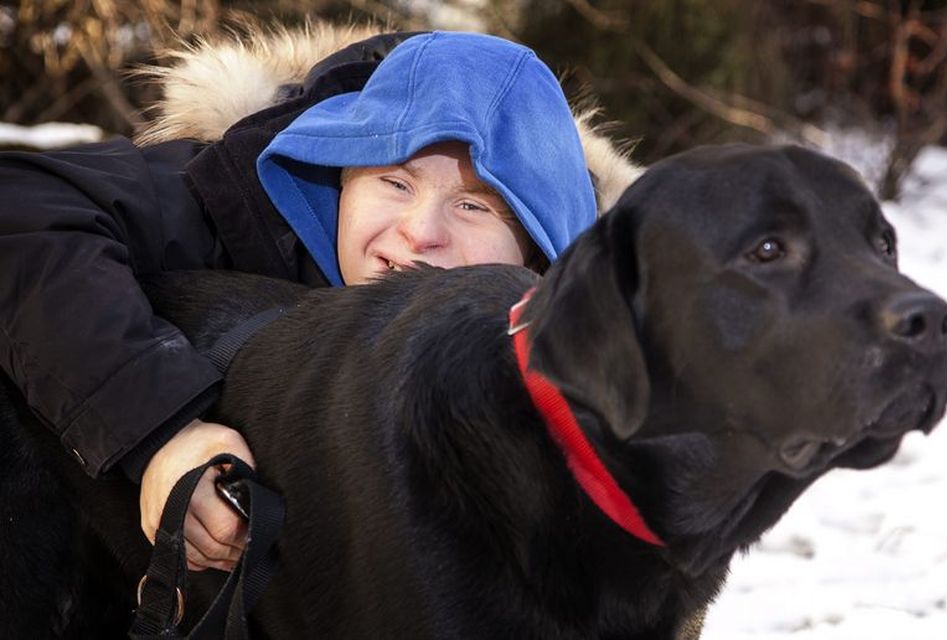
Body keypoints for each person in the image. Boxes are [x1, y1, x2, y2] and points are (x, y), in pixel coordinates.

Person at [0, 31, 598, 573]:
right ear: (339, 172)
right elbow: (21, 211)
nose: (420, 232)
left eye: (474, 205)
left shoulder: (588, 392)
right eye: (395, 181)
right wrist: (159, 431)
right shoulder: (228, 204)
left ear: (536, 255)